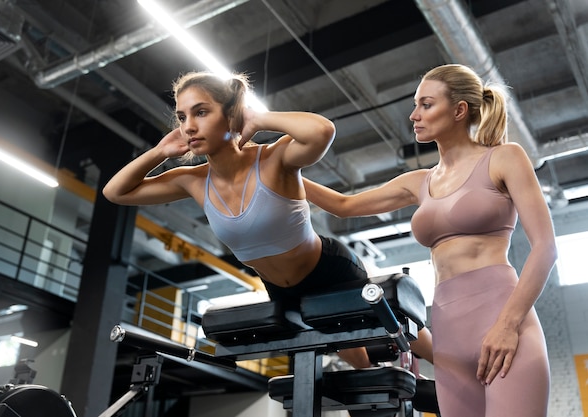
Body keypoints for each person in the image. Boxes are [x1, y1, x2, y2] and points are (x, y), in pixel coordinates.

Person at [302, 64, 556, 417]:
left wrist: (508, 325)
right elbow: (344, 206)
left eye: (426, 104)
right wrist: (272, 170)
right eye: (416, 105)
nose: (414, 115)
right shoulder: (419, 181)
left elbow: (546, 247)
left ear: (458, 110)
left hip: (502, 319)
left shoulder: (504, 157)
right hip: (448, 334)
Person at [103, 70, 379, 369]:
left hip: (329, 269)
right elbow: (115, 192)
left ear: (231, 115)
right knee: (358, 365)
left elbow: (321, 131)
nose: (189, 126)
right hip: (282, 290)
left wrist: (259, 119)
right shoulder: (191, 180)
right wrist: (159, 152)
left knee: (401, 326)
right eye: (182, 117)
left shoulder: (274, 158)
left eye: (202, 112)